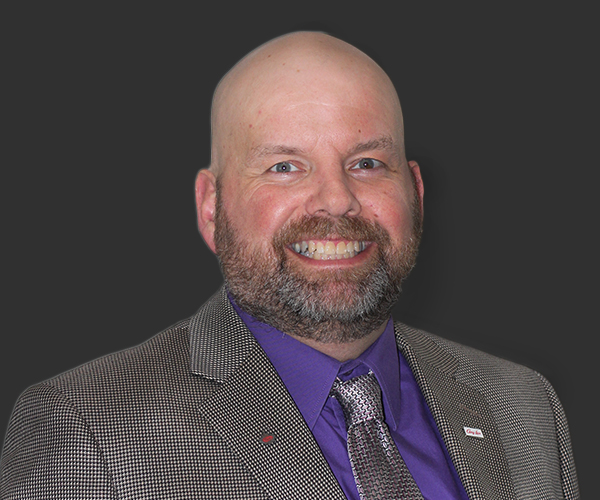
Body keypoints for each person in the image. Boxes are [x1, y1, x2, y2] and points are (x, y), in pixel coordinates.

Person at [0, 31, 579, 500]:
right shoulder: (83, 431)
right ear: (211, 207)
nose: (336, 200)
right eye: (284, 167)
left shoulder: (522, 405)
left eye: (367, 162)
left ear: (416, 193)